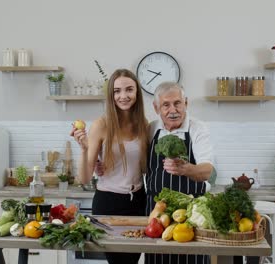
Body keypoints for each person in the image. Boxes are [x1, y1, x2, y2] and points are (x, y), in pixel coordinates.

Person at [70, 69, 149, 264]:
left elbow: (145, 168)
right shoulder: (102, 124)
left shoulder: (143, 124)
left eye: (129, 89)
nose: (123, 96)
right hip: (109, 203)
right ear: (111, 95)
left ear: (137, 93)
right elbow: (84, 178)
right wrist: (84, 150)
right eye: (117, 91)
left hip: (139, 201)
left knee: (131, 262)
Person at [145, 81, 213, 264]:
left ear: (186, 103)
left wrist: (186, 169)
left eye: (177, 103)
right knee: (157, 259)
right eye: (166, 105)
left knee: (192, 259)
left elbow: (207, 170)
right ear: (156, 107)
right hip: (157, 211)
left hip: (192, 212)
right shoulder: (151, 129)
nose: (172, 110)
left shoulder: (198, 129)